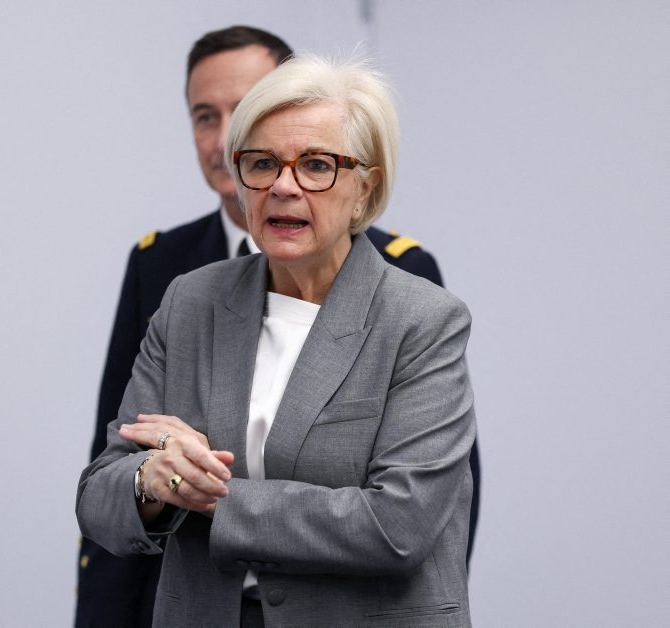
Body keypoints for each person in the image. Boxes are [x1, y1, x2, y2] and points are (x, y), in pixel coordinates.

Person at [77, 25, 479, 627]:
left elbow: (398, 525)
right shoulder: (189, 301)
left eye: (316, 165)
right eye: (262, 163)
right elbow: (99, 495)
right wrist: (149, 481)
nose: (284, 186)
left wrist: (207, 494)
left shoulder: (421, 319)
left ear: (364, 188)